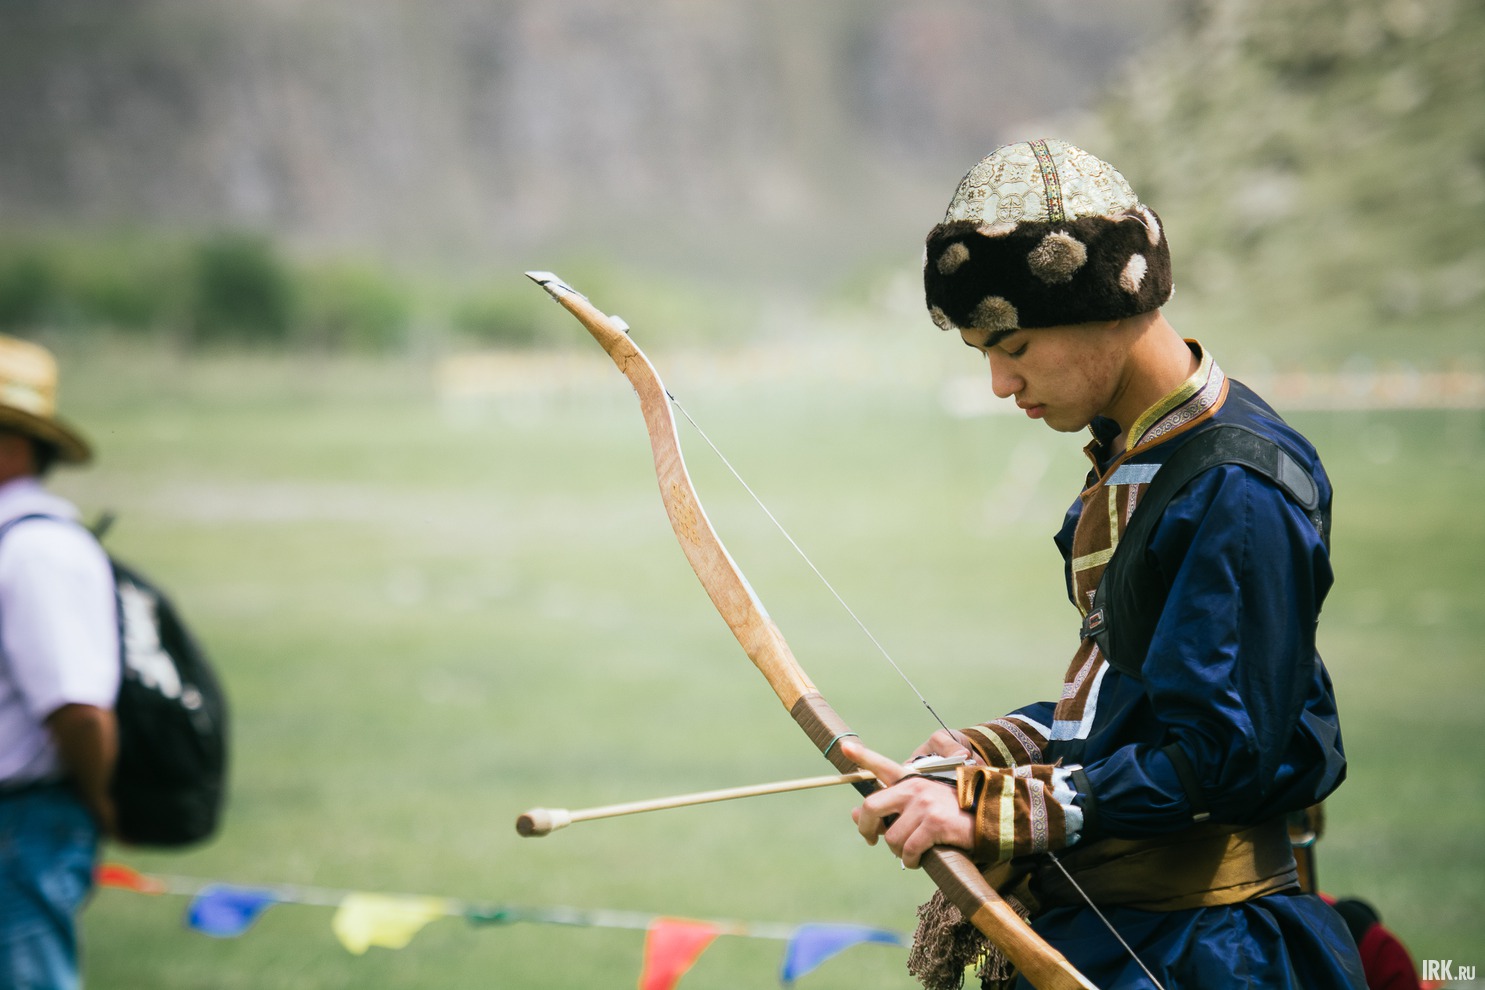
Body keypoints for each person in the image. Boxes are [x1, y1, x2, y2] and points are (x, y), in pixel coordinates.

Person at [843, 140, 1368, 989]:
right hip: (1129, 938)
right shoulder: (1145, 454)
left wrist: (992, 810)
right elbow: (1135, 707)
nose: (1000, 383)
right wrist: (987, 749)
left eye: (1014, 345)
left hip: (1204, 954)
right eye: (983, 353)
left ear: (1105, 305)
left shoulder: (1231, 485)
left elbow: (1219, 759)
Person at [0, 334, 119, 990]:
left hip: (20, 824)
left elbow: (78, 712)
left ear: (13, 445)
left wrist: (96, 800)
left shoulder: (35, 550)